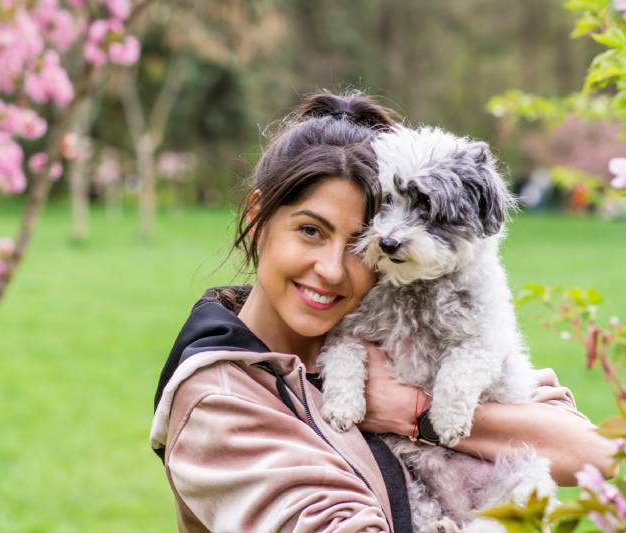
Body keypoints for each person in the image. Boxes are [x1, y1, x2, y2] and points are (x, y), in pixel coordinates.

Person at [150, 91, 614, 532]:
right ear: (257, 217)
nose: (332, 270)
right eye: (310, 231)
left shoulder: (398, 333)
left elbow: (593, 453)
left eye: (358, 242)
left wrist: (414, 413)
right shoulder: (220, 400)